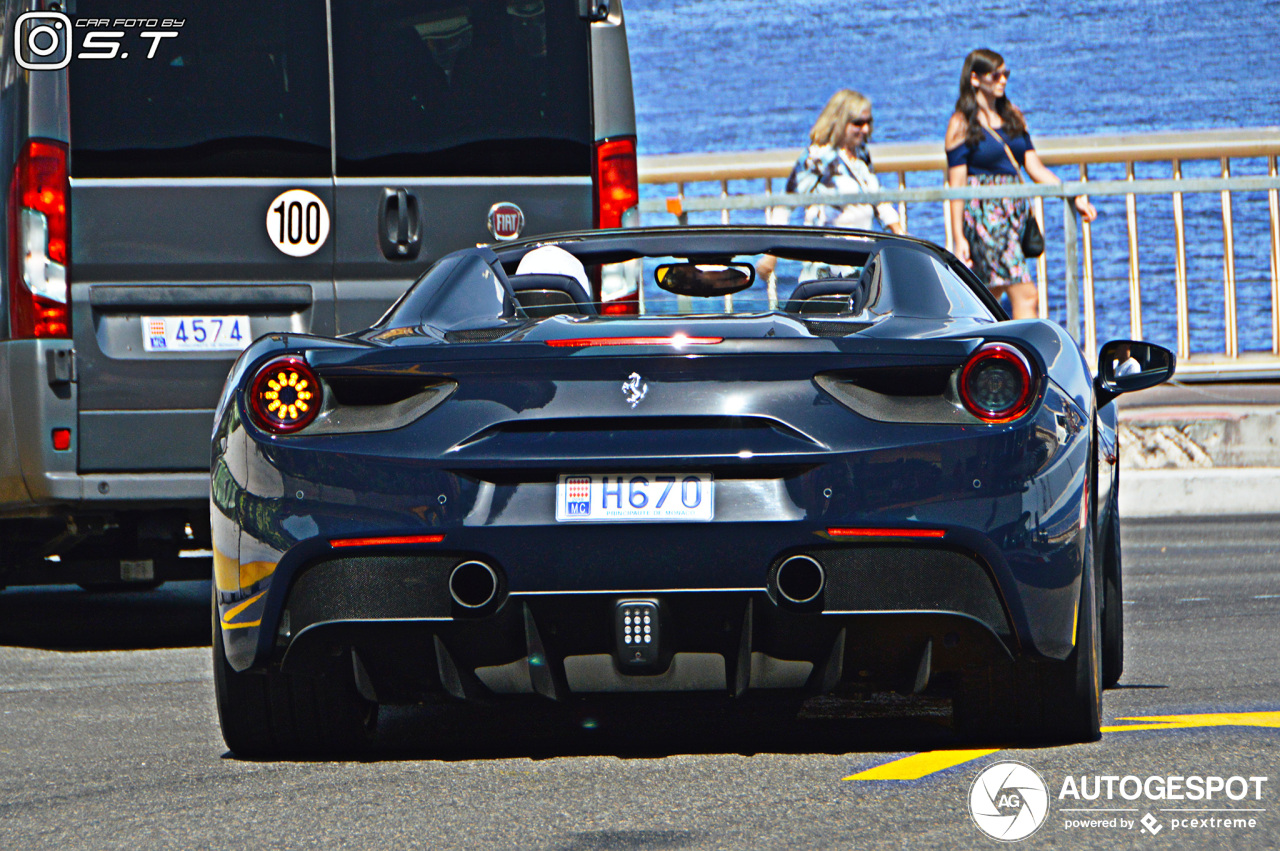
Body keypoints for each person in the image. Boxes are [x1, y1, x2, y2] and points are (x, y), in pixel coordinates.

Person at [945, 49, 1098, 319]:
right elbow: (956, 185)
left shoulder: (1013, 115)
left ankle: (983, 350)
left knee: (989, 294)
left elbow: (1035, 168)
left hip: (1014, 213)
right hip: (985, 216)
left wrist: (1072, 196)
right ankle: (1021, 355)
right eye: (996, 75)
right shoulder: (961, 123)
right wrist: (958, 236)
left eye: (1006, 74)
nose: (1003, 80)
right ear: (975, 79)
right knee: (1025, 293)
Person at [758, 89, 905, 283]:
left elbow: (877, 198)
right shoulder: (818, 157)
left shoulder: (861, 155)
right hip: (826, 269)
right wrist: (771, 254)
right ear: (840, 122)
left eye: (868, 122)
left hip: (861, 265)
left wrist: (900, 233)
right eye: (858, 123)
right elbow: (786, 202)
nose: (866, 129)